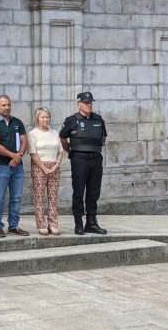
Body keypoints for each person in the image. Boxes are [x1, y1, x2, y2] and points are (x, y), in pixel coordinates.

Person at [59, 92, 108, 235]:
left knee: (94, 192)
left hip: (95, 159)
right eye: (86, 103)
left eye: (90, 103)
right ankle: (78, 223)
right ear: (79, 104)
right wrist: (72, 152)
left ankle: (91, 223)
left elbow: (102, 138)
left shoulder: (99, 120)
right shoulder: (71, 120)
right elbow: (62, 138)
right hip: (79, 159)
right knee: (79, 191)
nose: (88, 105)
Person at [0, 94, 29, 238]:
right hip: (1, 166)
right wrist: (13, 156)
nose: (7, 107)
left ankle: (13, 225)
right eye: (3, 105)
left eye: (8, 105)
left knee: (16, 198)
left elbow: (24, 141)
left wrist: (19, 157)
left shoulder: (17, 122)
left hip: (18, 166)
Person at [27, 107, 63, 236]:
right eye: (43, 117)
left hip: (54, 167)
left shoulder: (54, 132)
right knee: (39, 197)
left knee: (53, 197)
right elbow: (33, 153)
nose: (45, 119)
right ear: (37, 118)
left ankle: (53, 224)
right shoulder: (33, 133)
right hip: (39, 167)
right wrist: (44, 168)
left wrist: (56, 165)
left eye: (47, 117)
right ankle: (41, 224)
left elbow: (60, 151)